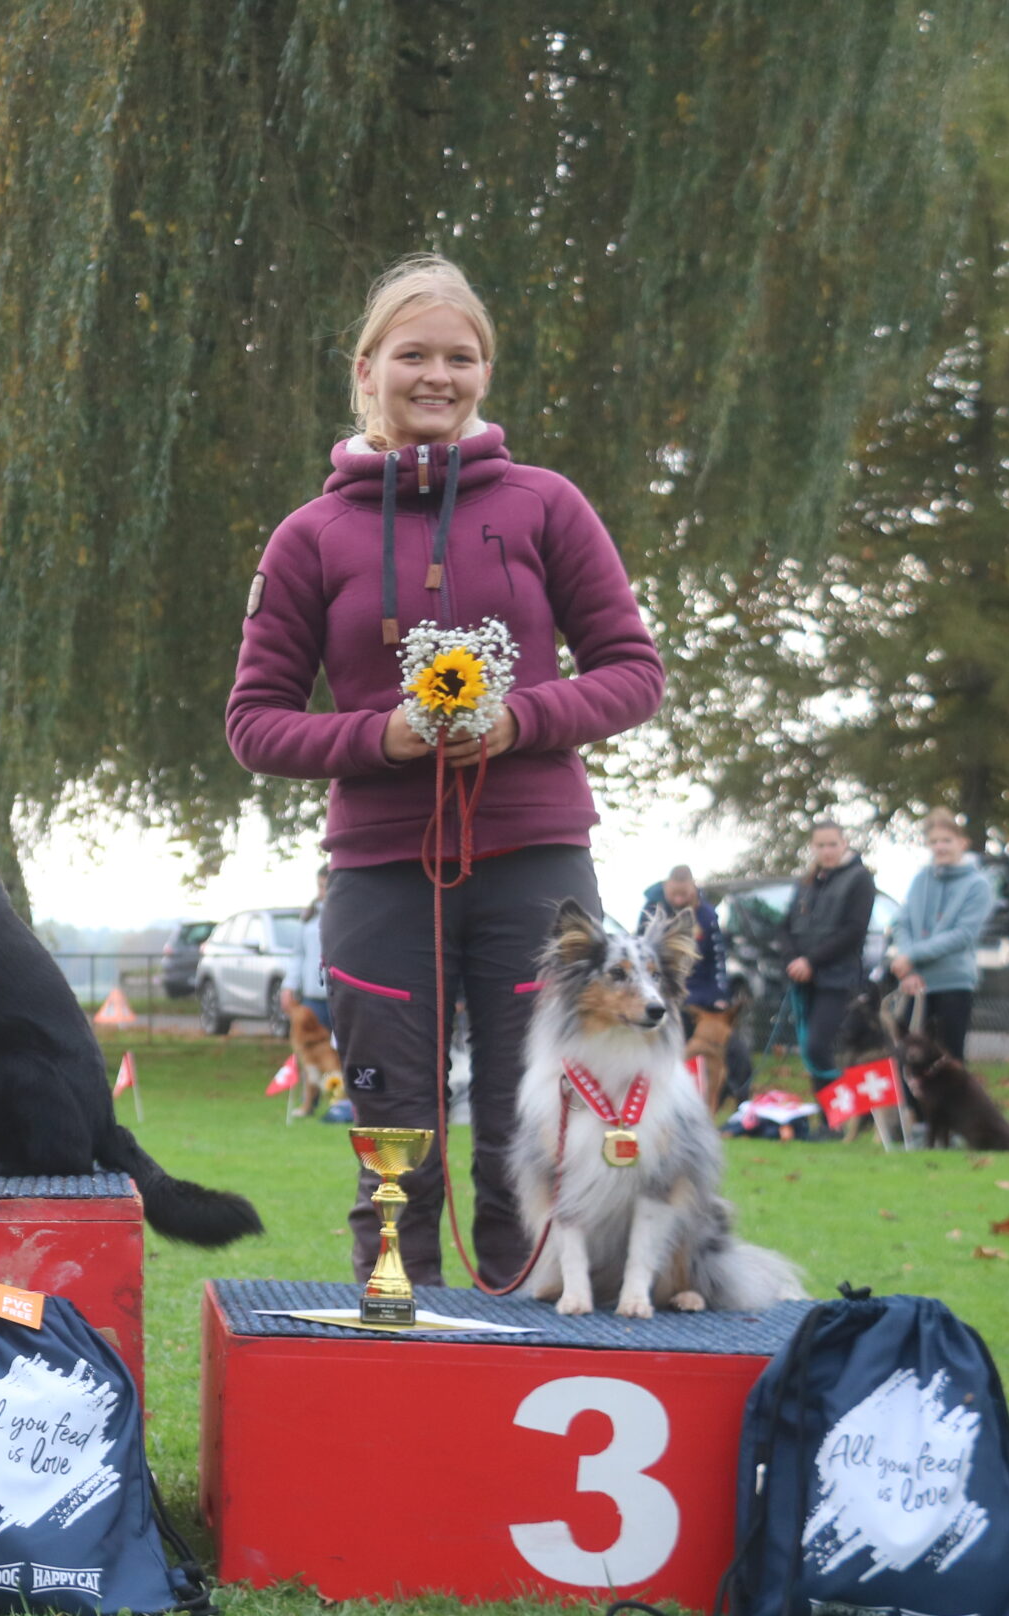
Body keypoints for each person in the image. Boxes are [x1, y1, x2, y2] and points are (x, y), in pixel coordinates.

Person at [226, 255, 663, 1289]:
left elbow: (633, 675)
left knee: (537, 1116)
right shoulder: (310, 535)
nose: (437, 375)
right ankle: (397, 1313)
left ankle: (534, 1322)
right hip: (380, 867)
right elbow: (254, 724)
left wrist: (520, 721)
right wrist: (376, 739)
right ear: (366, 368)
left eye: (459, 357)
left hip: (535, 864)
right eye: (412, 354)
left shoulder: (547, 506)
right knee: (393, 1120)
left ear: (484, 373)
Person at [775, 820, 877, 1112]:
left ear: (844, 844)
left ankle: (839, 1113)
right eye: (821, 845)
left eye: (832, 844)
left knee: (819, 1046)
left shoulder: (859, 879)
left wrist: (811, 960)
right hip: (804, 979)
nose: (827, 850)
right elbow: (784, 926)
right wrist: (792, 960)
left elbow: (854, 930)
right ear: (813, 847)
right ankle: (831, 1114)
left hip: (838, 979)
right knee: (810, 1047)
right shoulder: (807, 882)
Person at [887, 808, 992, 1063]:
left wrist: (911, 956)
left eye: (946, 840)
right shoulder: (920, 879)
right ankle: (911, 1105)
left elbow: (963, 935)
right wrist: (908, 968)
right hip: (915, 983)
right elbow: (902, 922)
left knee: (948, 1058)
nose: (940, 847)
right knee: (908, 1057)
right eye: (934, 842)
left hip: (953, 982)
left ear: (962, 843)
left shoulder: (977, 885)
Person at [640, 863, 748, 1099]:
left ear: (692, 889)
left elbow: (717, 959)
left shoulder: (707, 915)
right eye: (674, 893)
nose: (679, 899)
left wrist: (720, 996)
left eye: (684, 894)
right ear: (666, 888)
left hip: (701, 996)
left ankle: (740, 1100)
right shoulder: (651, 910)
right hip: (663, 994)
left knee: (735, 1051)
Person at [280, 866, 333, 1032]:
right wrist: (289, 986)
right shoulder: (309, 917)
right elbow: (299, 954)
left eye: (327, 887)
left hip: (338, 999)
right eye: (320, 886)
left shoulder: (346, 916)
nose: (322, 892)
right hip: (312, 999)